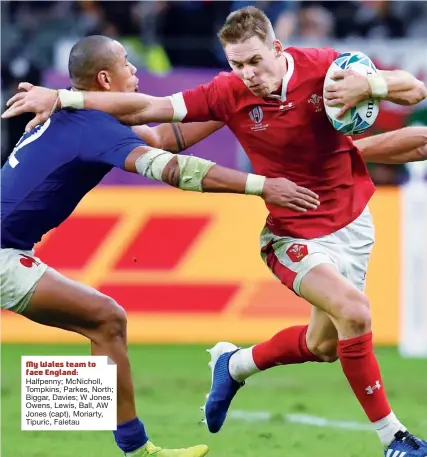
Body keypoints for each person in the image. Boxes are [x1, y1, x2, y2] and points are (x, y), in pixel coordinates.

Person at [2, 7, 427, 456]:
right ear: (105, 80)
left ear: (277, 50)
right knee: (108, 320)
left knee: (325, 345)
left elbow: (414, 89)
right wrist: (261, 181)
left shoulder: (323, 68)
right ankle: (395, 439)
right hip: (292, 234)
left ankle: (234, 365)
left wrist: (371, 84)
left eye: (253, 62)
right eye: (127, 62)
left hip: (350, 221)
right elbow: (165, 151)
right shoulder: (106, 123)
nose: (246, 74)